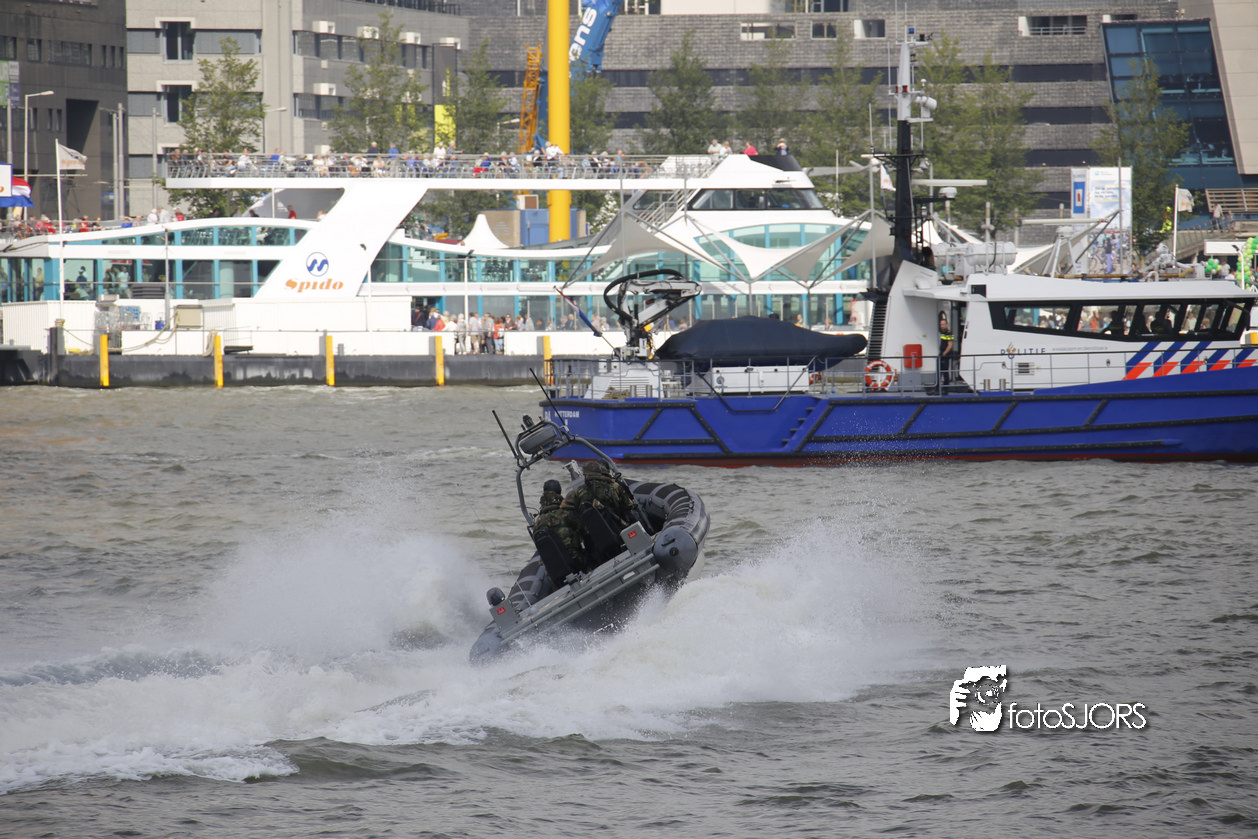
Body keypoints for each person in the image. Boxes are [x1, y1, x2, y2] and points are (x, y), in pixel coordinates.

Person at [560, 461, 637, 571]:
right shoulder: (611, 488)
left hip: (593, 538)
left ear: (586, 475)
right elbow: (626, 506)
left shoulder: (579, 492)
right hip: (615, 530)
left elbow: (572, 514)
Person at [939, 312, 956, 386]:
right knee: (940, 370)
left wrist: (944, 353)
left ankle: (946, 387)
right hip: (942, 353)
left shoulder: (949, 333)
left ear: (946, 325)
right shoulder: (944, 333)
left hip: (945, 354)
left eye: (943, 324)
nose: (942, 326)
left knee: (945, 371)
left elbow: (950, 345)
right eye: (941, 325)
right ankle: (938, 386)